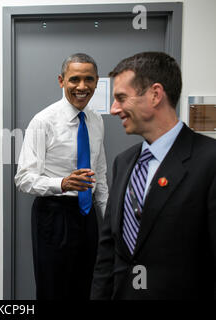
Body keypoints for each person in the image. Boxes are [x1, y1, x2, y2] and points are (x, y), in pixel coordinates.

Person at [91, 52, 216, 299]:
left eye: (121, 98)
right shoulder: (124, 162)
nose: (114, 109)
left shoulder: (209, 161)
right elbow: (108, 251)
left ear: (155, 95)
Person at [15, 53, 109, 299]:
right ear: (61, 81)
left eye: (88, 79)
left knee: (87, 287)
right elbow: (23, 178)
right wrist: (62, 183)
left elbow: (100, 174)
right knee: (53, 289)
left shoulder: (97, 120)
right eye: (74, 79)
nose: (81, 86)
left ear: (96, 82)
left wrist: (109, 217)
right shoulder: (43, 121)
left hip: (88, 217)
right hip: (54, 215)